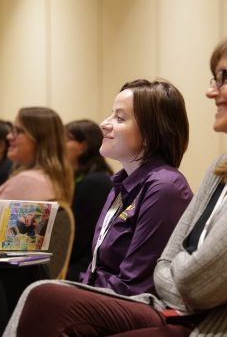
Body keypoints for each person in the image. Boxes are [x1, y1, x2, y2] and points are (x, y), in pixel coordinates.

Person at [3, 32, 227, 336]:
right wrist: (186, 274)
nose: (210, 90)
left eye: (224, 77)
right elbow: (169, 267)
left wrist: (186, 275)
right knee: (41, 294)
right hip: (193, 315)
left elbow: (197, 283)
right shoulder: (223, 168)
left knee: (44, 297)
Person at [74, 79, 193, 296]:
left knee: (41, 295)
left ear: (150, 134)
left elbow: (134, 286)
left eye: (119, 118)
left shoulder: (164, 189)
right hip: (100, 295)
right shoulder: (120, 184)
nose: (104, 124)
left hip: (132, 307)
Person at [0, 107, 74, 204]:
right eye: (12, 130)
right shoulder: (49, 178)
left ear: (40, 140)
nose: (9, 136)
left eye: (18, 131)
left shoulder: (28, 181)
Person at [64, 119, 114, 281]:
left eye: (65, 139)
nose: (59, 146)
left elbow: (79, 239)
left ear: (83, 147)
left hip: (87, 267)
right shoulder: (79, 179)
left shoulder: (95, 182)